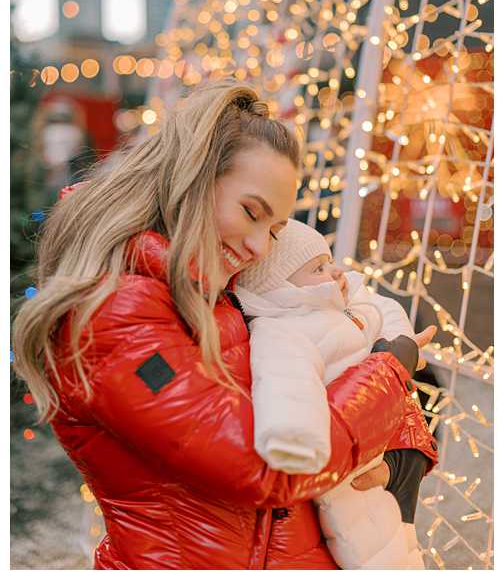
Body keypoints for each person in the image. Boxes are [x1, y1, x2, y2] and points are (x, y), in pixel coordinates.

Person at [11, 84, 439, 569]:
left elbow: (317, 380)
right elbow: (261, 467)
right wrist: (388, 373)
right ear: (188, 179)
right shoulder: (116, 311)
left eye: (275, 231)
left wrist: (401, 454)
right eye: (251, 212)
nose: (259, 246)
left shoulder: (213, 292)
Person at [234, 219, 435, 569]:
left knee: (399, 536)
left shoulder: (343, 302)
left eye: (329, 261)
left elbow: (383, 309)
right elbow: (286, 385)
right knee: (367, 541)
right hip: (342, 465)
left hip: (378, 431)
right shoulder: (280, 331)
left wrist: (401, 346)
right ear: (279, 286)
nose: (335, 271)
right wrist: (293, 440)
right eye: (318, 268)